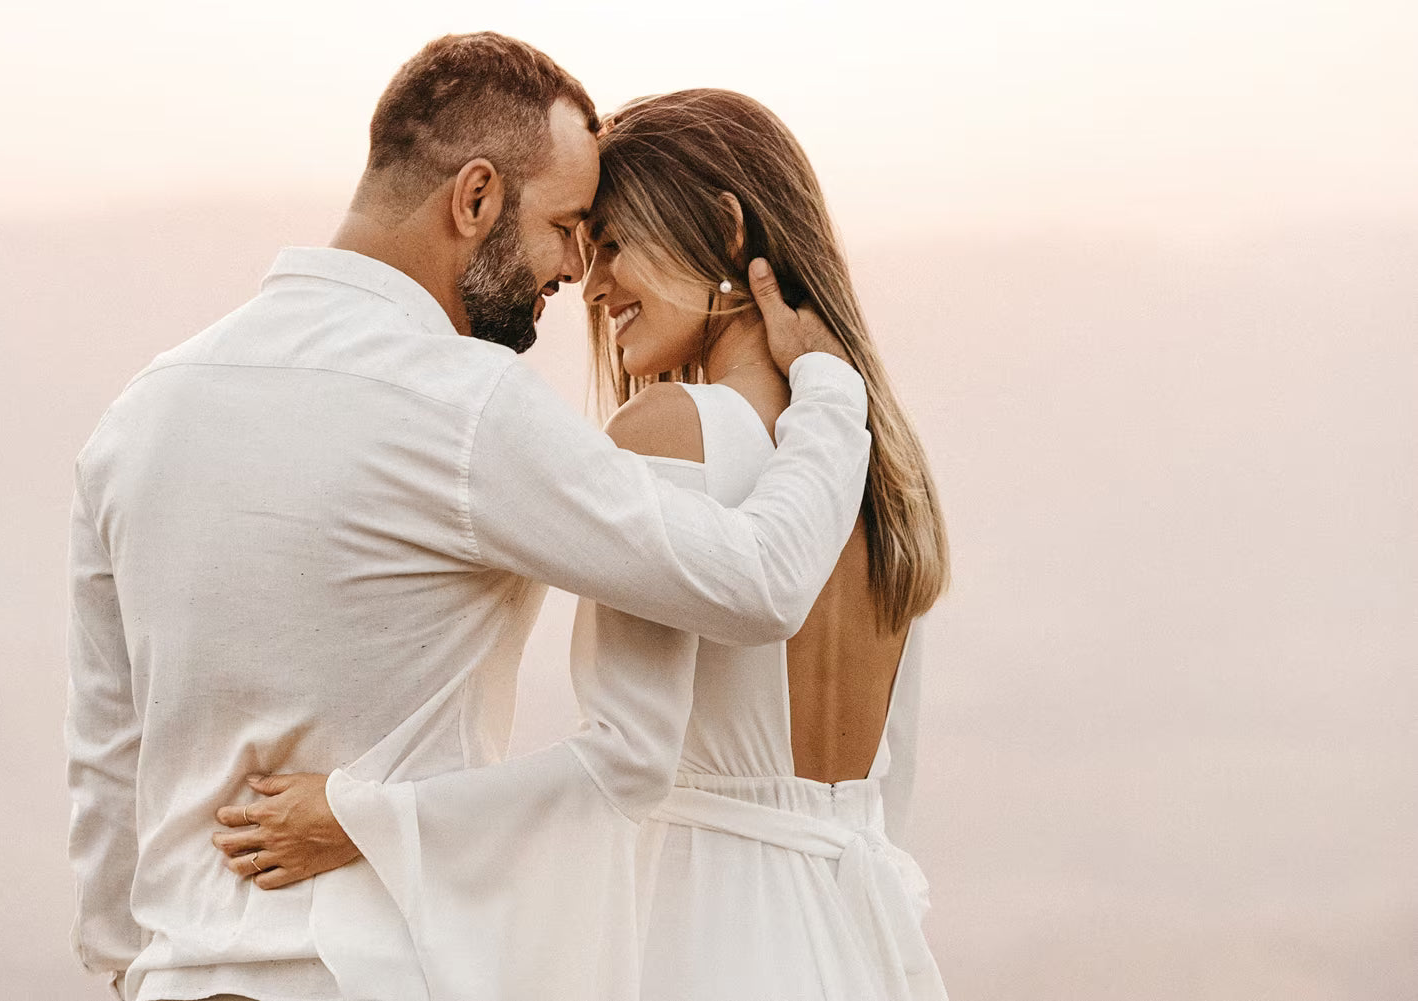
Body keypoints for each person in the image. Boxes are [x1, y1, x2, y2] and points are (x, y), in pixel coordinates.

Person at [65, 32, 869, 1001]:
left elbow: (108, 753)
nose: (575, 269)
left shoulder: (138, 416)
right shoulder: (468, 407)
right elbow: (761, 579)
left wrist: (124, 959)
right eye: (570, 224)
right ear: (476, 197)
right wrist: (829, 388)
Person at [227, 89, 952, 1000]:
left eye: (610, 241)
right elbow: (888, 790)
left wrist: (363, 820)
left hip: (702, 933)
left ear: (725, 231)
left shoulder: (671, 430)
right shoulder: (884, 473)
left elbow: (622, 763)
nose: (591, 283)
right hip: (860, 945)